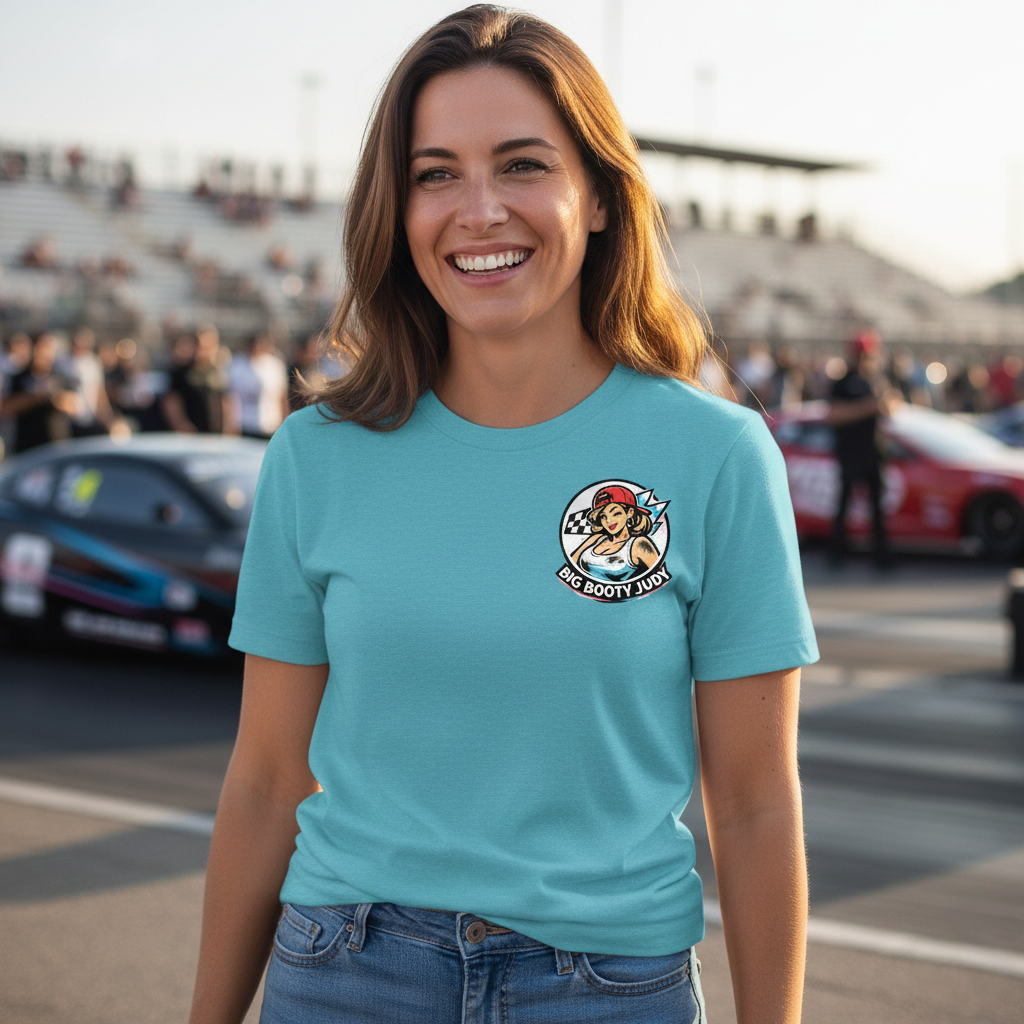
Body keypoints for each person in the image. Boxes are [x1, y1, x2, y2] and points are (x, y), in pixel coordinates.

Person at [189, 8, 818, 1024]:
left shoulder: (714, 457)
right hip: (345, 971)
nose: (477, 210)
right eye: (436, 173)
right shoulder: (315, 456)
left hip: (610, 987)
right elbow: (265, 783)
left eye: (521, 165)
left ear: (602, 198)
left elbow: (750, 804)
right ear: (397, 211)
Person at [828, 329, 898, 566]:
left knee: (877, 508)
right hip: (850, 453)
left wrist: (887, 403)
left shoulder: (878, 381)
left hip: (874, 453)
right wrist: (868, 407)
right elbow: (834, 415)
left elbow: (892, 408)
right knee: (844, 504)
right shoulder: (843, 383)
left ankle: (881, 555)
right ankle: (837, 553)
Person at [0, 333, 80, 452]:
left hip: (56, 445)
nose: (42, 352)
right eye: (38, 347)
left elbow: (75, 407)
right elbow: (6, 407)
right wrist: (34, 397)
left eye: (47, 347)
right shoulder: (19, 377)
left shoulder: (61, 376)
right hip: (27, 447)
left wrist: (54, 398)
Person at [161, 325, 229, 433]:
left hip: (216, 436)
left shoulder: (218, 372)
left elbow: (226, 400)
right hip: (192, 436)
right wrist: (181, 425)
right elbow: (171, 401)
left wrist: (229, 427)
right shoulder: (182, 372)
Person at [225, 333, 290, 439]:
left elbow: (282, 396)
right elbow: (230, 397)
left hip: (270, 423)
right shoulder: (236, 365)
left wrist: (284, 421)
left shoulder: (274, 365)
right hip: (244, 424)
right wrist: (230, 424)